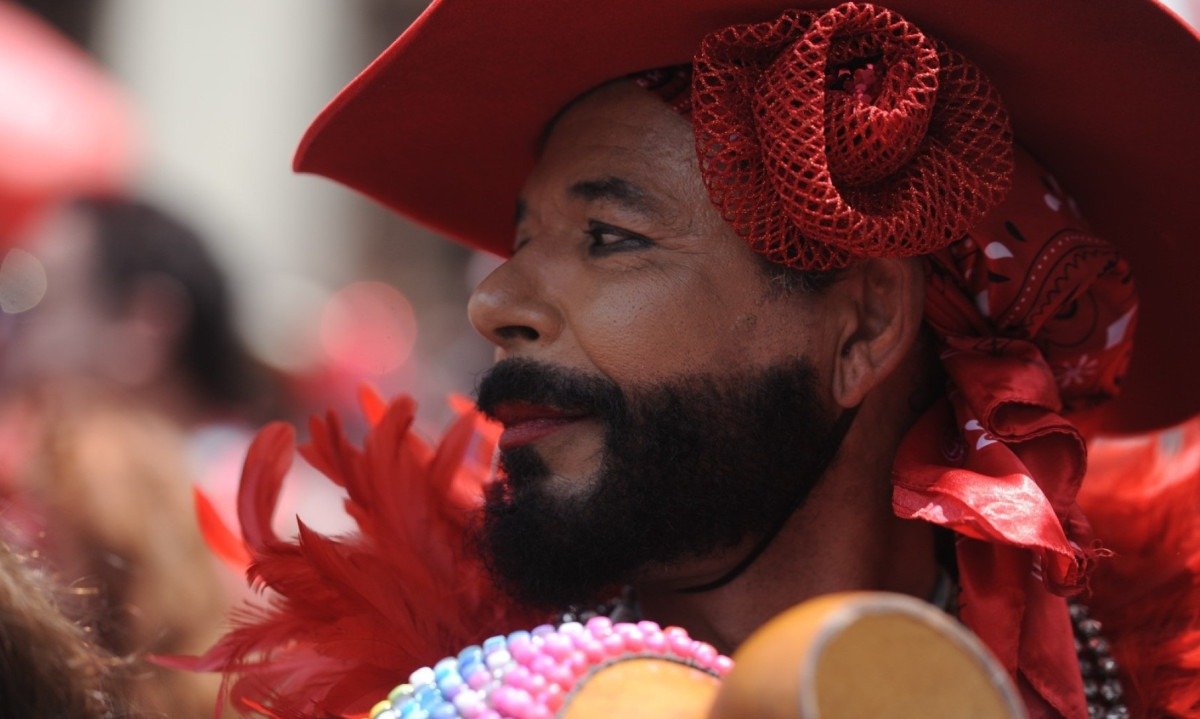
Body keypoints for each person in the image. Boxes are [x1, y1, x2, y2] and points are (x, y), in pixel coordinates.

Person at [199, 1, 1200, 717]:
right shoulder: (459, 691)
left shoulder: (1117, 683)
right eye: (521, 239)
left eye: (607, 237)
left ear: (859, 329)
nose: (496, 301)